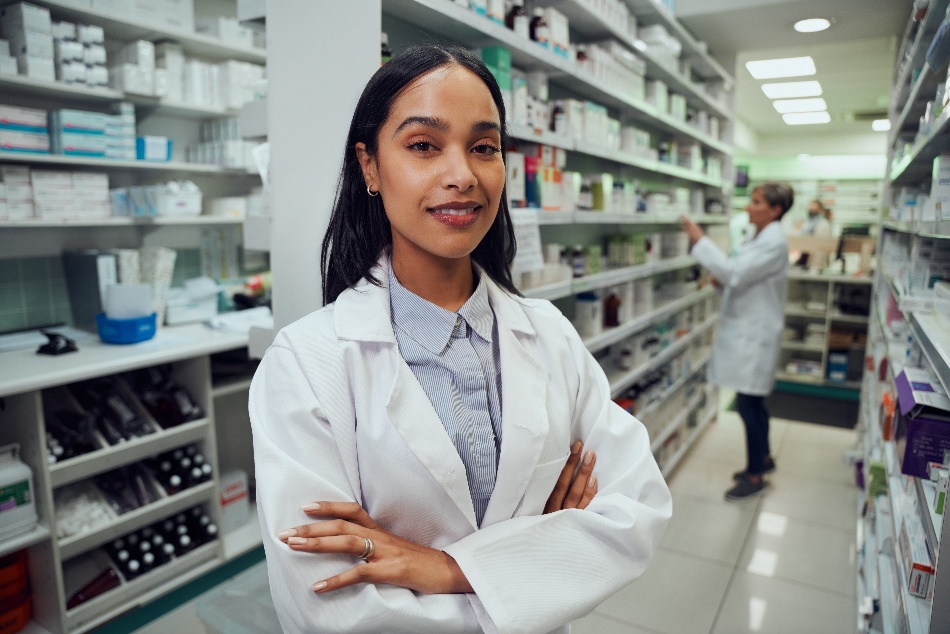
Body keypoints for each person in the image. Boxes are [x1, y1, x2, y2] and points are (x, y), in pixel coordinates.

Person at [249, 44, 672, 633]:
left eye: (484, 147)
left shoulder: (549, 333)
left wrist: (448, 568)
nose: (462, 176)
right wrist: (539, 556)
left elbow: (634, 514)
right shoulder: (306, 364)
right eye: (423, 145)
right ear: (370, 166)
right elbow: (328, 602)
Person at [679, 182, 792, 502]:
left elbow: (735, 275)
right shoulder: (757, 237)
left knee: (747, 404)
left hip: (755, 335)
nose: (748, 207)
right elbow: (739, 279)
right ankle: (765, 458)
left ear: (775, 210)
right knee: (754, 402)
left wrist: (700, 239)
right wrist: (725, 280)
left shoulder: (774, 243)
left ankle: (754, 475)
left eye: (756, 202)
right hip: (749, 329)